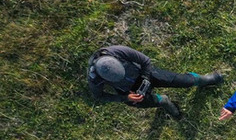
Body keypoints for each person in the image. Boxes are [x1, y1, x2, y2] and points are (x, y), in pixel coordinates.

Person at [87, 45, 223, 120]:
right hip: (129, 91)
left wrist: (146, 78)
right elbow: (99, 96)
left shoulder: (116, 51)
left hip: (145, 73)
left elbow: (145, 60)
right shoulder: (94, 77)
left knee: (183, 81)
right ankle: (164, 102)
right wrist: (125, 97)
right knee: (145, 102)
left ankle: (202, 80)